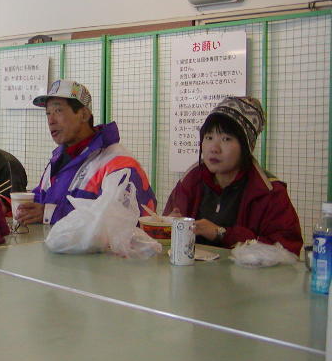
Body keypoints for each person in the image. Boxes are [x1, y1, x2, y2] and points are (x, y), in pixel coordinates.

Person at [163, 96, 303, 256]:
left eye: (226, 139)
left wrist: (222, 234)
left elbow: (287, 250)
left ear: (246, 147)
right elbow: (165, 236)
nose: (214, 148)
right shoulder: (190, 181)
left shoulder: (268, 192)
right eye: (209, 137)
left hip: (245, 273)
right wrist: (167, 226)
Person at [16, 79, 156, 226]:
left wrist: (50, 214)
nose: (51, 120)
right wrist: (11, 206)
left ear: (83, 115)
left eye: (58, 111)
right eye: (48, 113)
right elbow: (40, 199)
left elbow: (123, 220)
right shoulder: (58, 160)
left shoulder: (118, 163)